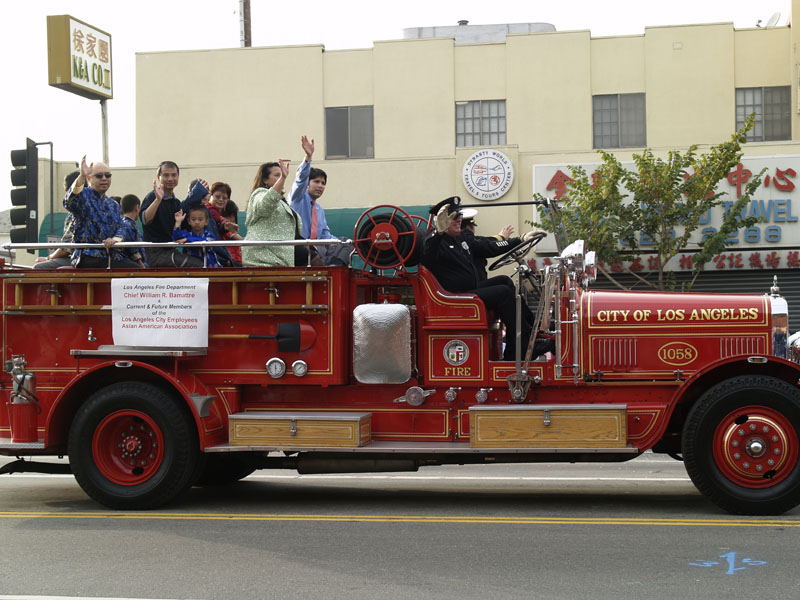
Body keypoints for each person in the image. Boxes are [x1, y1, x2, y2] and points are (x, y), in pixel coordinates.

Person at [421, 198, 545, 361]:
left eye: (459, 215)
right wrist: (438, 233)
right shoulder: (434, 241)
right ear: (441, 221)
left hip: (468, 289)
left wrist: (520, 239)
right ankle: (519, 348)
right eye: (453, 217)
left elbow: (489, 246)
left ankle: (532, 332)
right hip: (454, 296)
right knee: (503, 293)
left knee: (505, 281)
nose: (459, 220)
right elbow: (427, 256)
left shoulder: (461, 238)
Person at [63, 157, 142, 269]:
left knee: (136, 269)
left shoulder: (114, 204)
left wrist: (114, 240)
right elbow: (69, 201)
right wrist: (81, 176)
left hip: (111, 255)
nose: (104, 178)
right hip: (87, 255)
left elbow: (121, 228)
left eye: (108, 175)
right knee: (133, 269)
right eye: (99, 176)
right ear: (89, 178)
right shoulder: (83, 196)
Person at [289, 135, 353, 266]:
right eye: (316, 181)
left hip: (318, 249)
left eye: (323, 183)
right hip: (300, 249)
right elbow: (300, 180)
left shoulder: (318, 209)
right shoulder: (297, 198)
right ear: (307, 183)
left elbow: (325, 236)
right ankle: (332, 268)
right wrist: (308, 157)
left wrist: (344, 243)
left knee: (346, 242)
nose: (320, 186)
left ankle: (334, 267)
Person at [140, 161, 209, 267]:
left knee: (206, 261)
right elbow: (145, 219)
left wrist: (199, 201)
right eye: (166, 175)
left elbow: (184, 226)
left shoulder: (175, 202)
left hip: (171, 251)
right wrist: (158, 200)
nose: (170, 179)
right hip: (155, 254)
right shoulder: (152, 197)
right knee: (199, 265)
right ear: (159, 177)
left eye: (173, 175)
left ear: (178, 177)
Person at [243, 159, 299, 267]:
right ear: (265, 180)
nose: (281, 177)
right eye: (277, 175)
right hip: (263, 259)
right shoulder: (259, 194)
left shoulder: (282, 201)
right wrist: (283, 178)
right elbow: (265, 206)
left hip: (281, 258)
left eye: (281, 175)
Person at [34, 170, 80, 269]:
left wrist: (48, 258)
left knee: (38, 268)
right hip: (91, 257)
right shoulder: (100, 206)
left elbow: (66, 248)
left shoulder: (75, 212)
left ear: (67, 191)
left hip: (79, 258)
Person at [120, 194, 148, 268]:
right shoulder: (128, 224)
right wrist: (141, 264)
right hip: (136, 266)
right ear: (137, 207)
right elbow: (131, 248)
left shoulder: (126, 223)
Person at [219, 198, 242, 265]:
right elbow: (240, 240)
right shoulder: (226, 231)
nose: (230, 219)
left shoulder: (233, 230)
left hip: (237, 260)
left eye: (232, 216)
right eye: (227, 216)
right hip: (230, 262)